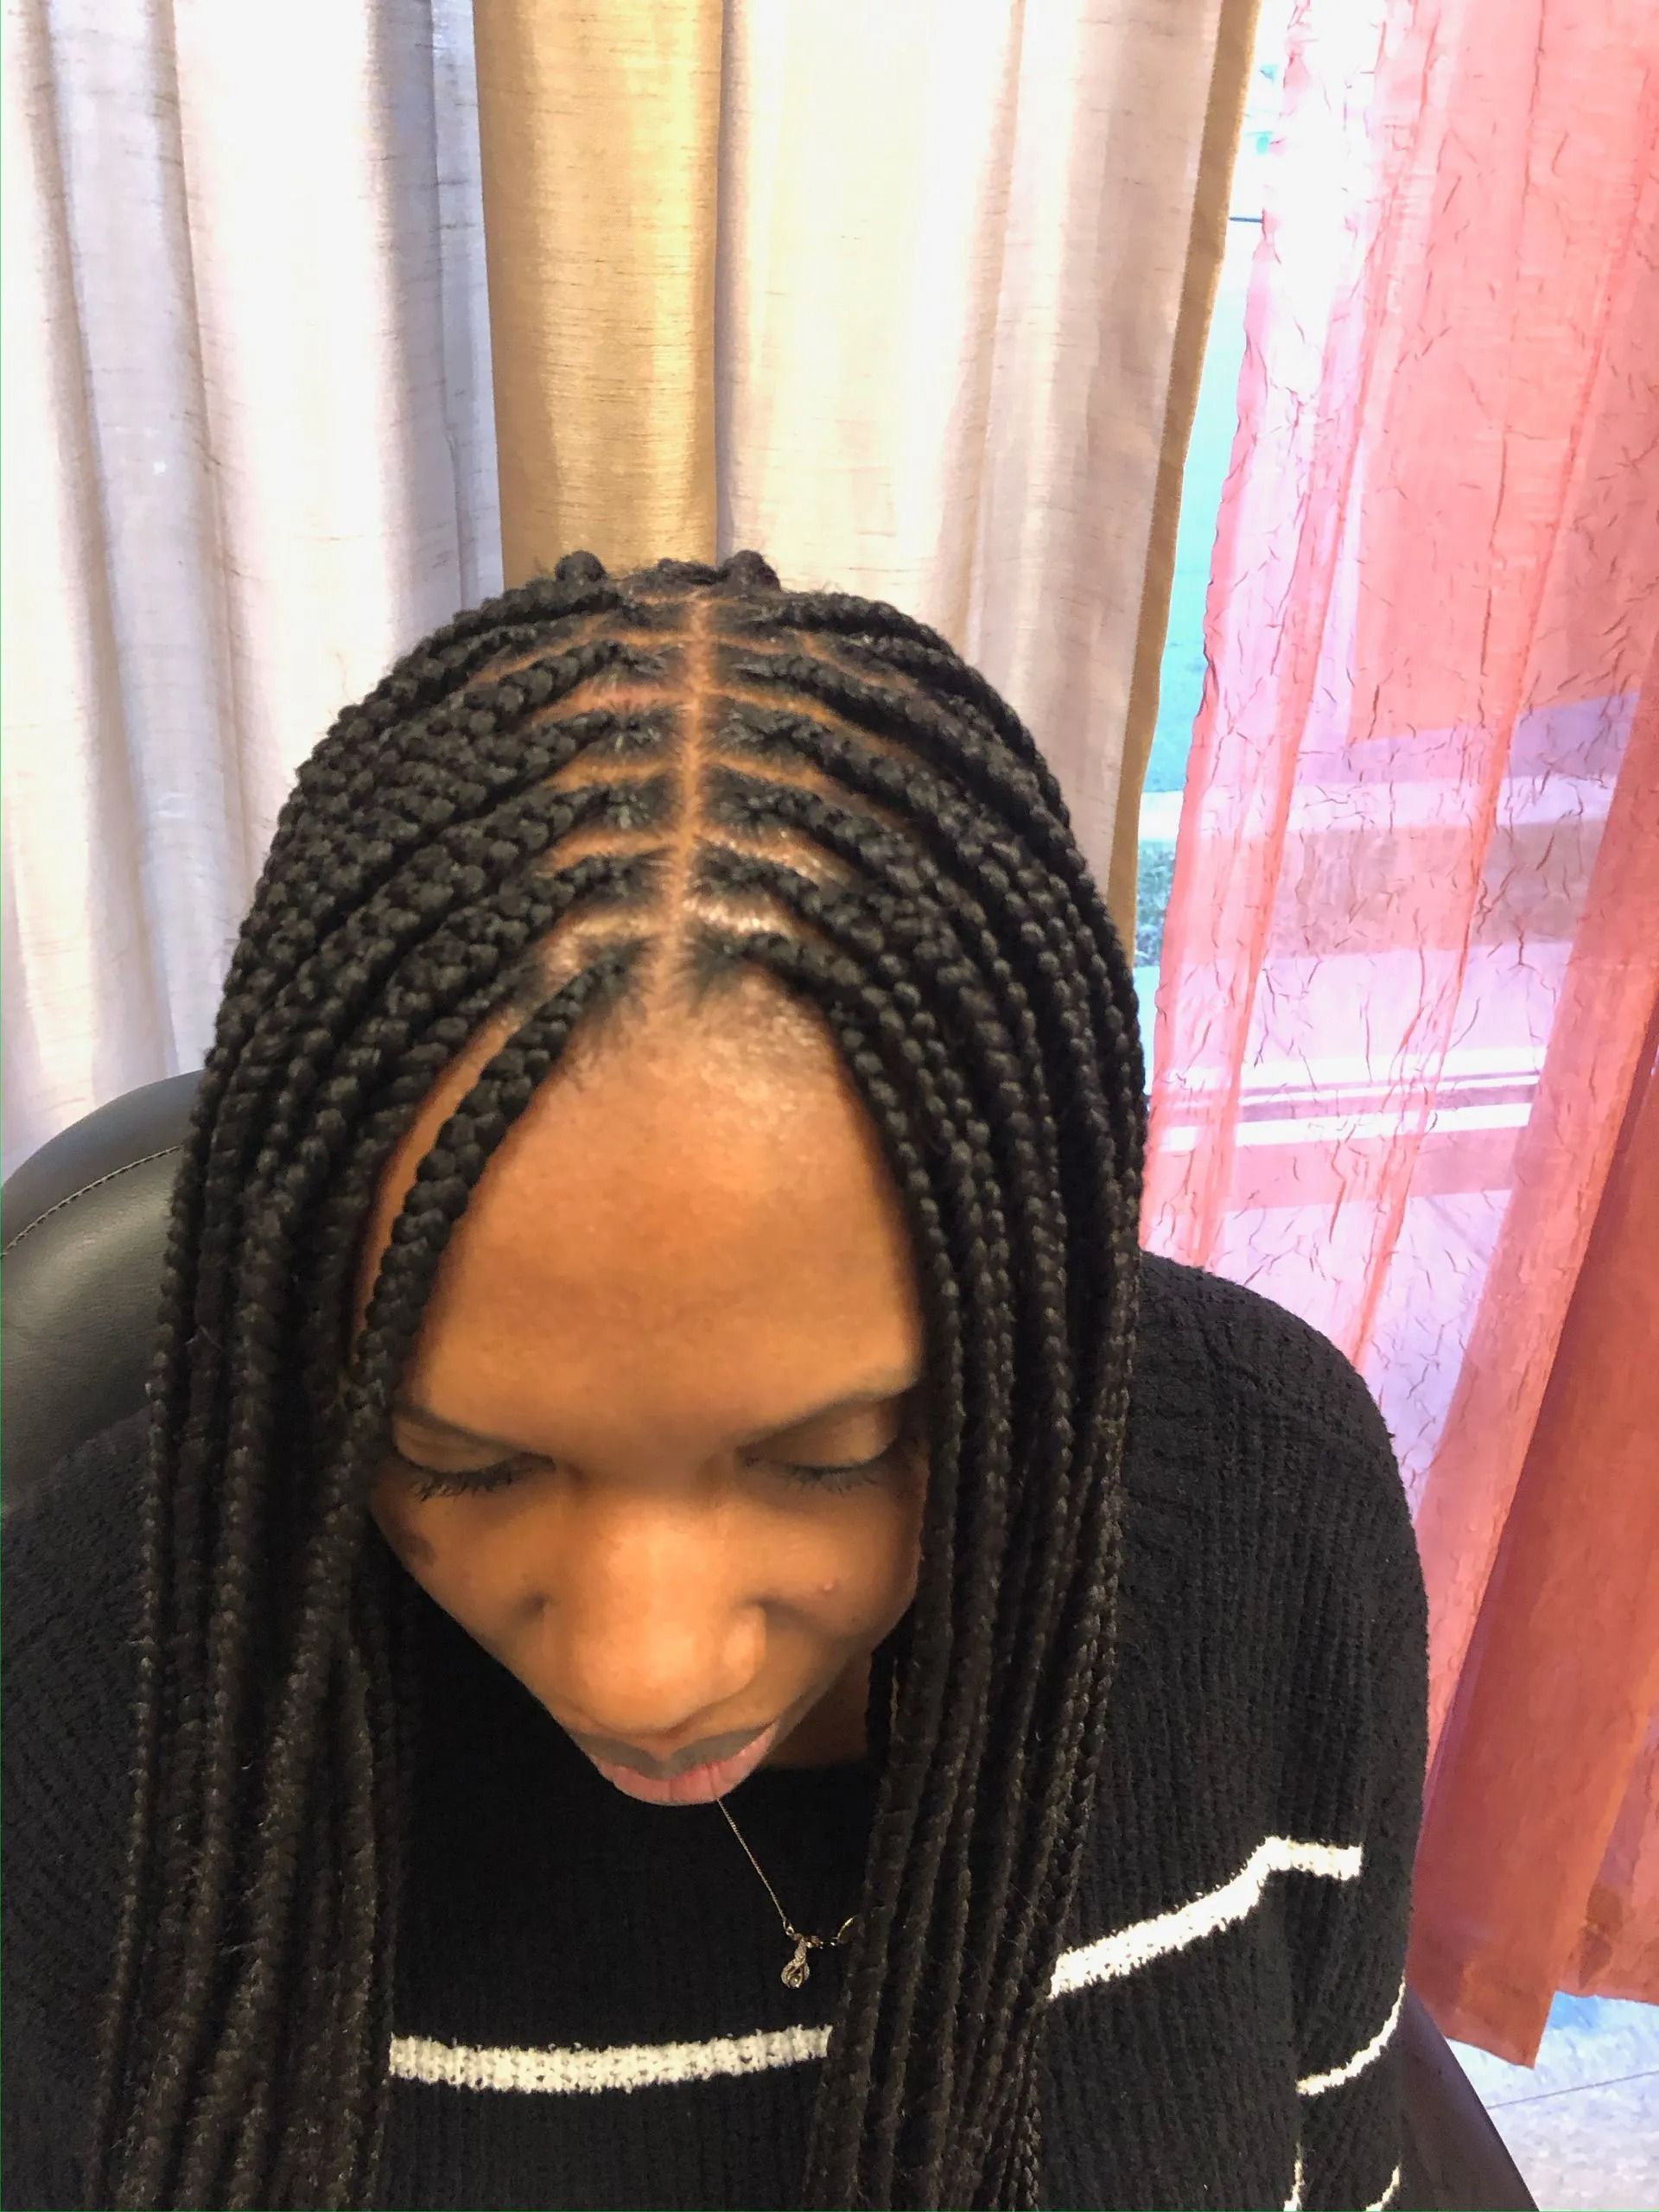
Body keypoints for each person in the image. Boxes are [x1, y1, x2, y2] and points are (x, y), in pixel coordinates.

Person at [1, 550, 1427, 2212]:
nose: (646, 1674)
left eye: (838, 1454)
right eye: (455, 1460)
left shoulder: (1278, 1521)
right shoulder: (92, 1710)